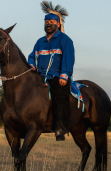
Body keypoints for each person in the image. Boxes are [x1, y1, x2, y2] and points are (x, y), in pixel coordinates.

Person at [28, 1, 74, 141]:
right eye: (46, 21)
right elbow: (31, 56)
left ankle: (60, 129)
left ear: (58, 24)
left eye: (52, 21)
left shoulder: (65, 40)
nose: (48, 24)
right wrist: (31, 65)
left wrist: (64, 75)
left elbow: (68, 58)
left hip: (57, 76)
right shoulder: (39, 42)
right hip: (40, 77)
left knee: (60, 96)